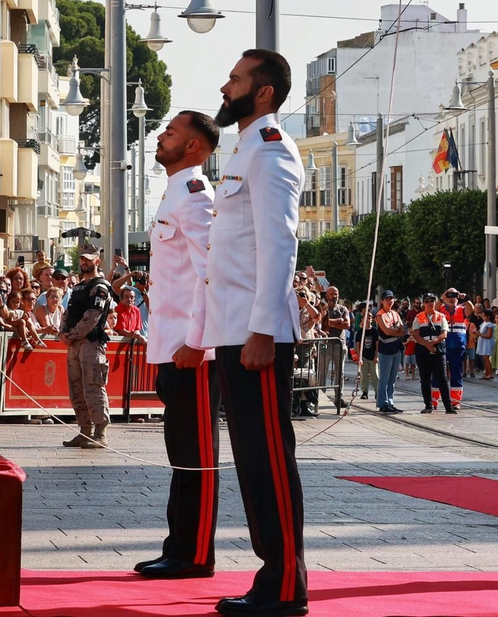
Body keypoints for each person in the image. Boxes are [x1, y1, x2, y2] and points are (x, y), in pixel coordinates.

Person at [189, 50, 308, 616]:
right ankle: (273, 578)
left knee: (268, 459)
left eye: (236, 78)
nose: (225, 84)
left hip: (258, 335)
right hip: (236, 330)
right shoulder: (246, 149)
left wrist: (263, 329)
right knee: (253, 460)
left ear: (263, 92)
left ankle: (286, 585)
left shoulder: (271, 150)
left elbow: (280, 245)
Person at [133, 110, 221, 580]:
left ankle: (195, 554)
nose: (160, 138)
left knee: (197, 455)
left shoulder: (195, 196)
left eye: (170, 132)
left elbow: (212, 272)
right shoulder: (173, 190)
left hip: (193, 352)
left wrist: (196, 341)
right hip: (172, 347)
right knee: (181, 451)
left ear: (192, 146)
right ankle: (179, 546)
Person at [60, 251, 115, 449]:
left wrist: (72, 335)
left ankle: (100, 433)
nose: (84, 263)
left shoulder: (100, 287)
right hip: (74, 344)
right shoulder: (78, 287)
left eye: (88, 260)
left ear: (97, 262)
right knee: (76, 388)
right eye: (82, 260)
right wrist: (63, 332)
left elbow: (93, 316)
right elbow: (68, 312)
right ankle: (85, 430)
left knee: (93, 386)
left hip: (91, 343)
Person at [412, 292, 453, 414]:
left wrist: (433, 342)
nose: (430, 303)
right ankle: (428, 405)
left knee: (442, 378)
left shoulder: (441, 316)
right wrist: (427, 345)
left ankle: (448, 406)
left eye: (432, 301)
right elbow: (415, 334)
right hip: (423, 351)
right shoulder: (418, 317)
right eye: (427, 301)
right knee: (425, 379)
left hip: (438, 349)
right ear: (423, 303)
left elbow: (444, 333)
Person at [373, 290, 406, 412]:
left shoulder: (395, 314)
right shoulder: (379, 315)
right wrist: (396, 329)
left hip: (396, 348)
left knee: (392, 378)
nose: (390, 301)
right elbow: (386, 331)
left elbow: (403, 331)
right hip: (385, 349)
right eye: (387, 299)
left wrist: (395, 330)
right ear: (382, 301)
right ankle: (383, 403)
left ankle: (390, 401)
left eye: (391, 299)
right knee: (384, 378)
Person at [441, 288, 467, 409]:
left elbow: (471, 309)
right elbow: (434, 307)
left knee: (456, 373)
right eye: (449, 296)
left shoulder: (462, 309)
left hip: (457, 346)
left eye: (454, 296)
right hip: (442, 346)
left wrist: (464, 297)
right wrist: (444, 295)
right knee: (439, 374)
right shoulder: (440, 310)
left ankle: (456, 401)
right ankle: (434, 400)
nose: (452, 298)